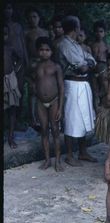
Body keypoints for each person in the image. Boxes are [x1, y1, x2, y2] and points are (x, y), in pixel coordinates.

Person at [56, 15, 97, 166]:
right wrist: (87, 64)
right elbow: (82, 67)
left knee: (84, 118)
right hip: (72, 85)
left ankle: (83, 152)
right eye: (79, 26)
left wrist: (87, 63)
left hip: (82, 84)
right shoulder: (65, 45)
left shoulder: (76, 44)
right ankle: (69, 155)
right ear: (75, 28)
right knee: (72, 119)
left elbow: (91, 60)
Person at [32, 37, 64, 171]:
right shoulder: (35, 66)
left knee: (55, 130)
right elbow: (32, 83)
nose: (44, 52)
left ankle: (57, 160)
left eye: (47, 50)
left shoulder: (56, 67)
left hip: (54, 101)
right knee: (44, 130)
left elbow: (61, 87)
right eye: (41, 50)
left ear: (52, 51)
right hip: (40, 102)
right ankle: (47, 160)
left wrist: (60, 108)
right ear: (37, 51)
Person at [25, 6, 49, 129]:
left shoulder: (45, 32)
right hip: (32, 62)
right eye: (30, 18)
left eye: (34, 17)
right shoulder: (26, 33)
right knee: (32, 91)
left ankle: (43, 116)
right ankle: (32, 118)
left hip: (44, 62)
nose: (32, 19)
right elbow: (25, 50)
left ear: (39, 18)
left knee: (44, 89)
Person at [4, 2, 28, 120]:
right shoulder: (3, 27)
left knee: (19, 90)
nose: (8, 11)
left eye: (9, 8)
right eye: (5, 8)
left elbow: (23, 44)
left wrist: (26, 61)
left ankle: (17, 119)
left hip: (20, 62)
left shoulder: (18, 26)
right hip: (7, 61)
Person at [95, 51, 110, 144]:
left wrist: (105, 82)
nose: (109, 67)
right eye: (108, 65)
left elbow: (108, 93)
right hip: (106, 109)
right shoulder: (106, 75)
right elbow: (101, 94)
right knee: (109, 138)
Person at [4, 24, 22, 148]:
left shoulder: (10, 48)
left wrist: (14, 70)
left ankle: (11, 137)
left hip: (10, 79)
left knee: (12, 109)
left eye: (5, 34)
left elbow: (20, 59)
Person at [91, 20, 110, 106]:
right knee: (95, 92)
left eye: (101, 31)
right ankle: (96, 111)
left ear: (105, 33)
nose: (99, 33)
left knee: (105, 90)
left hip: (103, 69)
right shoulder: (91, 45)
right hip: (93, 70)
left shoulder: (107, 46)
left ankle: (104, 108)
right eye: (96, 31)